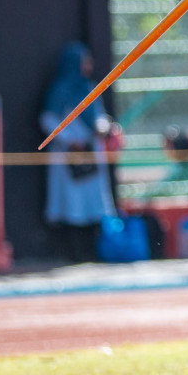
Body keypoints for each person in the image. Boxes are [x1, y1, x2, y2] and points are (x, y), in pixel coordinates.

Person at [39, 42, 116, 263]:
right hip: (68, 157)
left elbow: (99, 117)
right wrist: (70, 140)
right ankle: (73, 253)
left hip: (91, 152)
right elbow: (48, 119)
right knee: (71, 204)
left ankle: (93, 251)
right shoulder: (59, 90)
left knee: (93, 203)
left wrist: (104, 129)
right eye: (85, 62)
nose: (88, 66)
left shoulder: (89, 89)